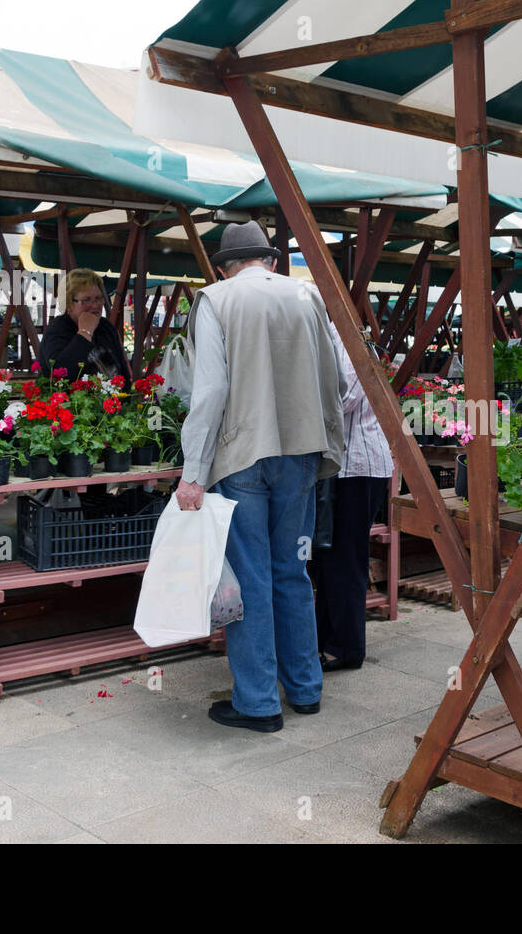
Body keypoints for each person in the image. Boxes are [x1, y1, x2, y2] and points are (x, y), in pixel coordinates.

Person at [175, 221, 345, 734]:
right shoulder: (307, 296)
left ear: (225, 267)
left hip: (242, 455)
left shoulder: (216, 301)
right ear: (269, 260)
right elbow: (335, 378)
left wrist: (193, 473)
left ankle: (257, 703)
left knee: (250, 579)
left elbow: (208, 392)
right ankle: (306, 690)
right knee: (293, 572)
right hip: (299, 453)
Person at [312, 327, 393, 672]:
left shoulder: (345, 343)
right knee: (328, 558)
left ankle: (346, 648)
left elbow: (341, 400)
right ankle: (326, 640)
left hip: (357, 466)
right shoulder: (332, 339)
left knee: (345, 558)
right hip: (343, 467)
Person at [38, 268, 131, 383]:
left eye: (98, 298)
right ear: (69, 304)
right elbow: (61, 374)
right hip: (67, 399)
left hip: (110, 398)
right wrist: (84, 333)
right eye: (86, 300)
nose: (95, 305)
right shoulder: (57, 329)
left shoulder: (106, 327)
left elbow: (123, 374)